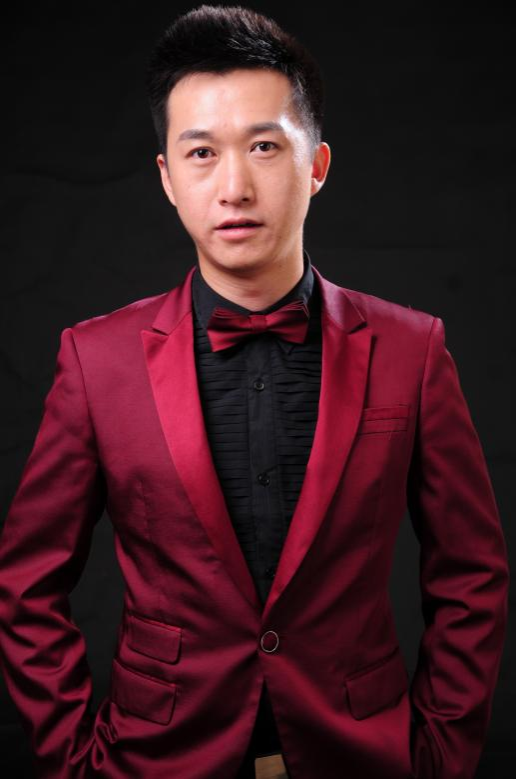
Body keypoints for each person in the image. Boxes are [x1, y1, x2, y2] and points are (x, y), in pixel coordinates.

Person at [0, 5, 509, 779]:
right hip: (156, 761)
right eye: (201, 153)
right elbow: (27, 584)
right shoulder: (95, 361)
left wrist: (440, 755)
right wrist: (72, 762)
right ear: (168, 178)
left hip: (364, 757)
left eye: (264, 146)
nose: (233, 186)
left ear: (317, 165)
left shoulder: (413, 350)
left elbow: (471, 572)